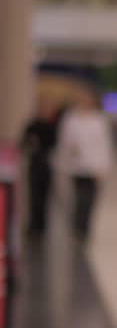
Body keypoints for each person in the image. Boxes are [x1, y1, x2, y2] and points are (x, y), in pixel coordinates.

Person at [54, 94, 113, 242]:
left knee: (89, 198)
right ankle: (77, 227)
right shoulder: (71, 120)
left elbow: (104, 144)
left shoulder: (99, 120)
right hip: (77, 166)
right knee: (79, 198)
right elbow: (64, 142)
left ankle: (85, 227)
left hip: (93, 167)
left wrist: (104, 166)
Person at [20, 101, 60, 238]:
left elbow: (55, 143)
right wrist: (31, 143)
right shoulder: (32, 126)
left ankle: (42, 225)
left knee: (45, 195)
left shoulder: (51, 126)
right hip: (34, 163)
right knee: (34, 195)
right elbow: (23, 143)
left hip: (46, 164)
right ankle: (34, 224)